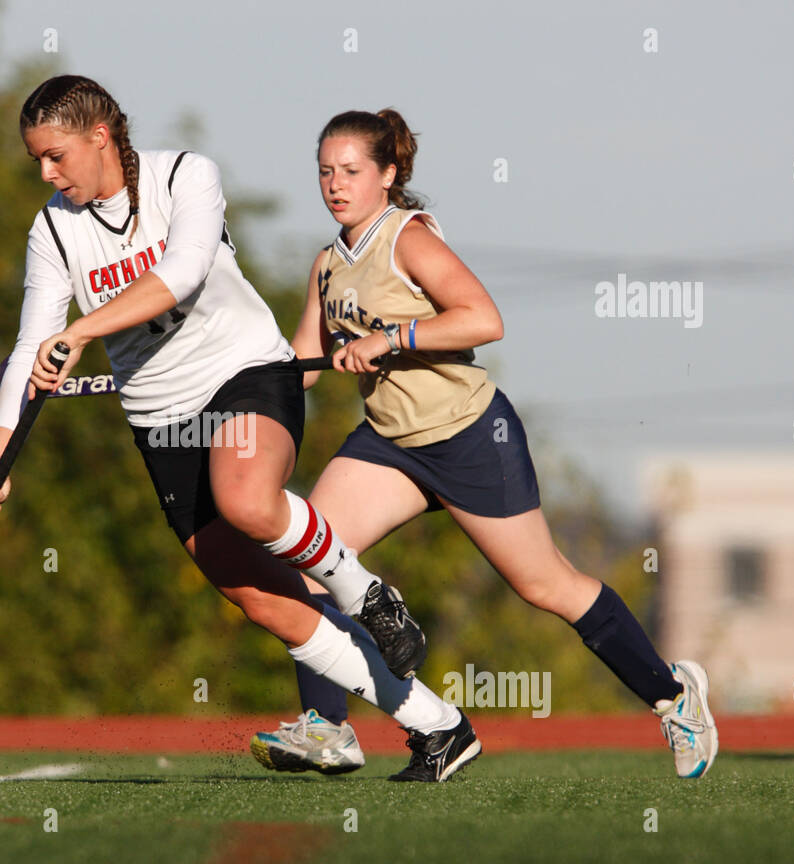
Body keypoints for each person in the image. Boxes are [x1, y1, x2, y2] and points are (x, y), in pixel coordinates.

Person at [0, 76, 480, 782]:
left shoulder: (188, 176)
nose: (47, 174)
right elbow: (30, 349)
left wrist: (83, 328)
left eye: (55, 156)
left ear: (98, 136)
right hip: (159, 417)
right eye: (37, 162)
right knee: (263, 598)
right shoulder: (54, 229)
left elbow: (180, 275)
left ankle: (365, 593)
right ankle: (437, 725)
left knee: (246, 498)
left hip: (245, 374)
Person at [250, 108, 718, 780]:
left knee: (545, 585)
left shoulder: (407, 238)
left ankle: (673, 698)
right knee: (304, 558)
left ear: (386, 175)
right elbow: (305, 361)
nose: (334, 184)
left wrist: (391, 339)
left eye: (350, 171)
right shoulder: (328, 264)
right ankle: (328, 728)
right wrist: (238, 377)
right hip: (388, 443)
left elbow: (482, 318)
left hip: (469, 436)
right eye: (325, 171)